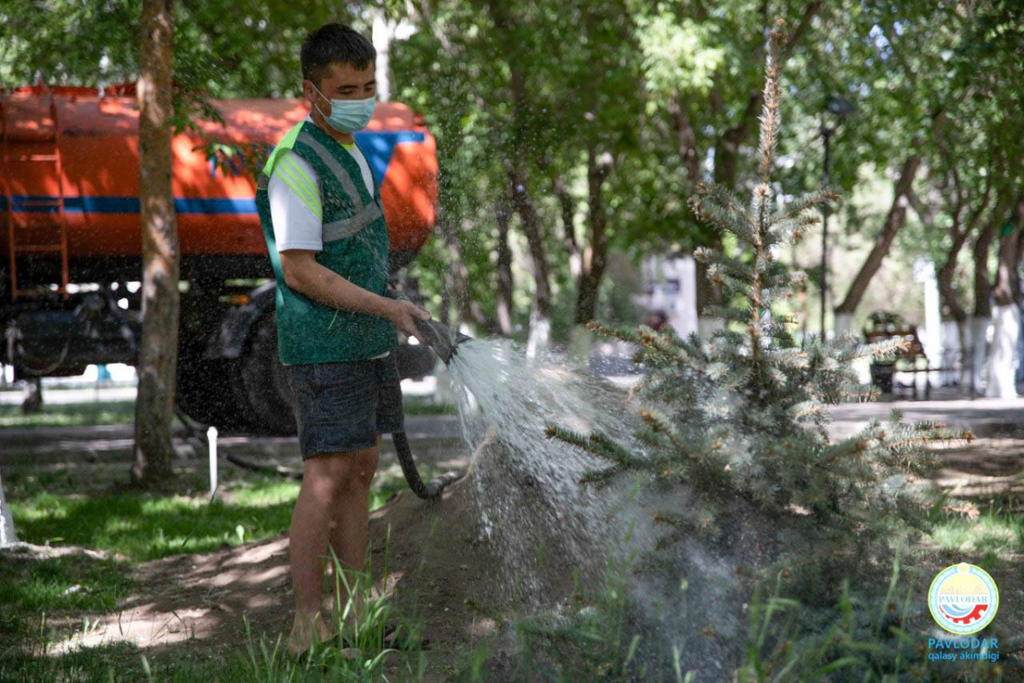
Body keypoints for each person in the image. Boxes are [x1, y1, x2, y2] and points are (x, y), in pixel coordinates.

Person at [255, 22, 429, 655]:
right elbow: (298, 266)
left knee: (359, 469)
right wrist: (387, 305)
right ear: (312, 92)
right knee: (326, 476)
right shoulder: (297, 163)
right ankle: (306, 625)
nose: (360, 98)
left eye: (368, 85)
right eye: (346, 88)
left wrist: (385, 315)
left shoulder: (349, 147)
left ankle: (355, 613)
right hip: (324, 344)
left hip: (362, 339)